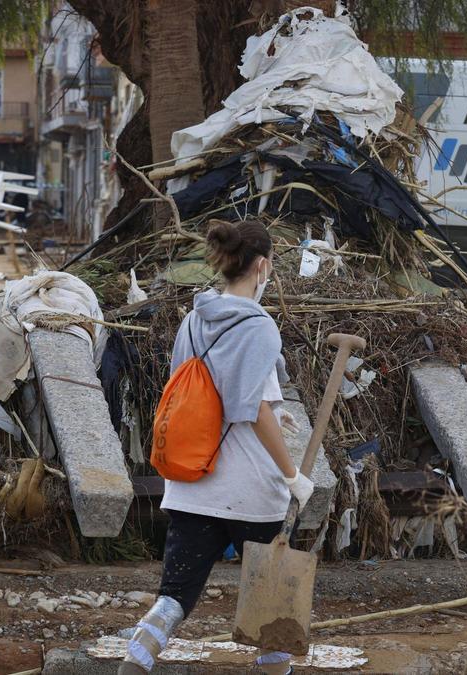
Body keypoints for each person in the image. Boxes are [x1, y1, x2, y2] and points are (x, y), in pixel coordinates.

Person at [119, 219, 314, 675]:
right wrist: (291, 475)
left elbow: (193, 390)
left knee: (174, 598)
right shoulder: (261, 326)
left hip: (192, 484)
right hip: (249, 492)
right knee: (272, 607)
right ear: (262, 266)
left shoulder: (194, 318)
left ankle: (135, 662)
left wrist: (272, 409)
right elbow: (249, 408)